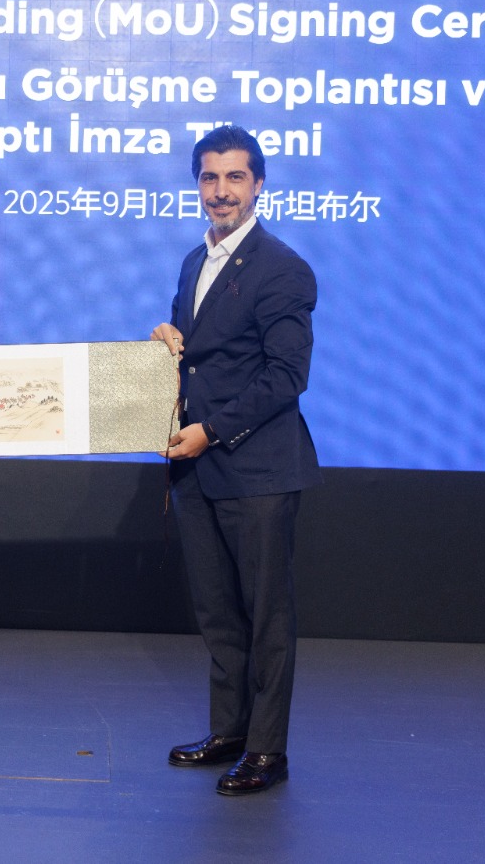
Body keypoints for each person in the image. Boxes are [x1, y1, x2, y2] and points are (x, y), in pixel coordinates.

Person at [151, 124, 320, 795]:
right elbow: (198, 354)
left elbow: (287, 376)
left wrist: (211, 431)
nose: (220, 191)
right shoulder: (194, 262)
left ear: (258, 185)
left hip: (257, 470)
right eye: (209, 178)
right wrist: (167, 340)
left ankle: (267, 750)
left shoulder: (282, 268)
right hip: (199, 471)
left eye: (234, 177)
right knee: (218, 611)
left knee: (266, 615)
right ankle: (229, 731)